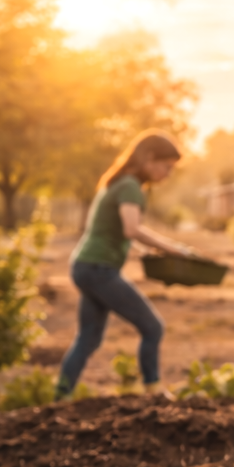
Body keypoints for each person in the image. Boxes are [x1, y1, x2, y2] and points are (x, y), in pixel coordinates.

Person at [56, 130, 194, 399]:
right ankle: (154, 391)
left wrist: (146, 251)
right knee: (153, 328)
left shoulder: (117, 182)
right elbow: (132, 229)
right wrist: (176, 250)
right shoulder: (130, 186)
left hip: (85, 265)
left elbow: (117, 231)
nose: (168, 174)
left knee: (89, 338)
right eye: (166, 167)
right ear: (150, 158)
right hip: (98, 269)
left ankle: (61, 396)